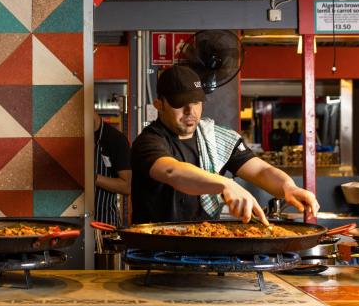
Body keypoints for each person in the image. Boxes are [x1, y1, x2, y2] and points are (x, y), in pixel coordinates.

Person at [131, 65, 319, 225]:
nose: (190, 111)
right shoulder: (149, 141)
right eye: (180, 104)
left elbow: (260, 171)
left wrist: (288, 187)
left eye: (196, 102)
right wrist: (224, 184)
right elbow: (172, 171)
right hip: (155, 250)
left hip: (203, 246)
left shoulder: (214, 138)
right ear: (159, 104)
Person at [94, 111, 131, 226]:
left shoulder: (116, 140)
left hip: (104, 224)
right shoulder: (75, 137)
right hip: (77, 222)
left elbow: (127, 187)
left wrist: (92, 177)